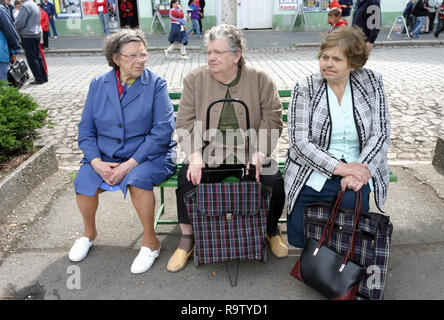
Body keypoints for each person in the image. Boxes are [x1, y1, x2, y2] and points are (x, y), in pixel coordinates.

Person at [169, 24, 287, 273]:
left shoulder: (260, 79)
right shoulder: (194, 80)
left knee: (273, 179)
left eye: (218, 53)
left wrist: (260, 152)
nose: (211, 57)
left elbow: (273, 116)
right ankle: (188, 238)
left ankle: (270, 229)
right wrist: (194, 156)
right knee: (187, 179)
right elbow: (184, 122)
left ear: (236, 55)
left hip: (249, 151)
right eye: (209, 52)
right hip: (209, 152)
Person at [69, 28, 177, 274]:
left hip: (149, 155)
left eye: (143, 54)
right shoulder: (98, 84)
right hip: (105, 156)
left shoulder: (156, 84)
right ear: (116, 59)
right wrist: (96, 162)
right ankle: (89, 234)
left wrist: (130, 164)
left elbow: (162, 131)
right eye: (133, 56)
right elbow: (86, 130)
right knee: (84, 180)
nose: (140, 60)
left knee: (138, 180)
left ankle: (151, 242)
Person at [284, 27, 391, 250]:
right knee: (302, 228)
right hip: (312, 169)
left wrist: (360, 170)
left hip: (359, 165)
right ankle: (317, 263)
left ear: (353, 64)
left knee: (352, 204)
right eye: (324, 57)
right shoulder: (306, 87)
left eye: (336, 59)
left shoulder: (371, 83)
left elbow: (380, 133)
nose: (328, 64)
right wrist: (343, 169)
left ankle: (343, 263)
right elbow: (300, 142)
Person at [15, 0, 47, 84]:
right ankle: (44, 76)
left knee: (32, 58)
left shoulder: (25, 6)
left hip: (28, 35)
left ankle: (39, 78)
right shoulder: (34, 4)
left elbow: (19, 23)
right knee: (38, 56)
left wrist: (16, 27)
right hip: (36, 33)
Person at [0, 0, 21, 83]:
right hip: (1, 54)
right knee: (4, 86)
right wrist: (14, 51)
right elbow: (10, 31)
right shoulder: (1, 10)